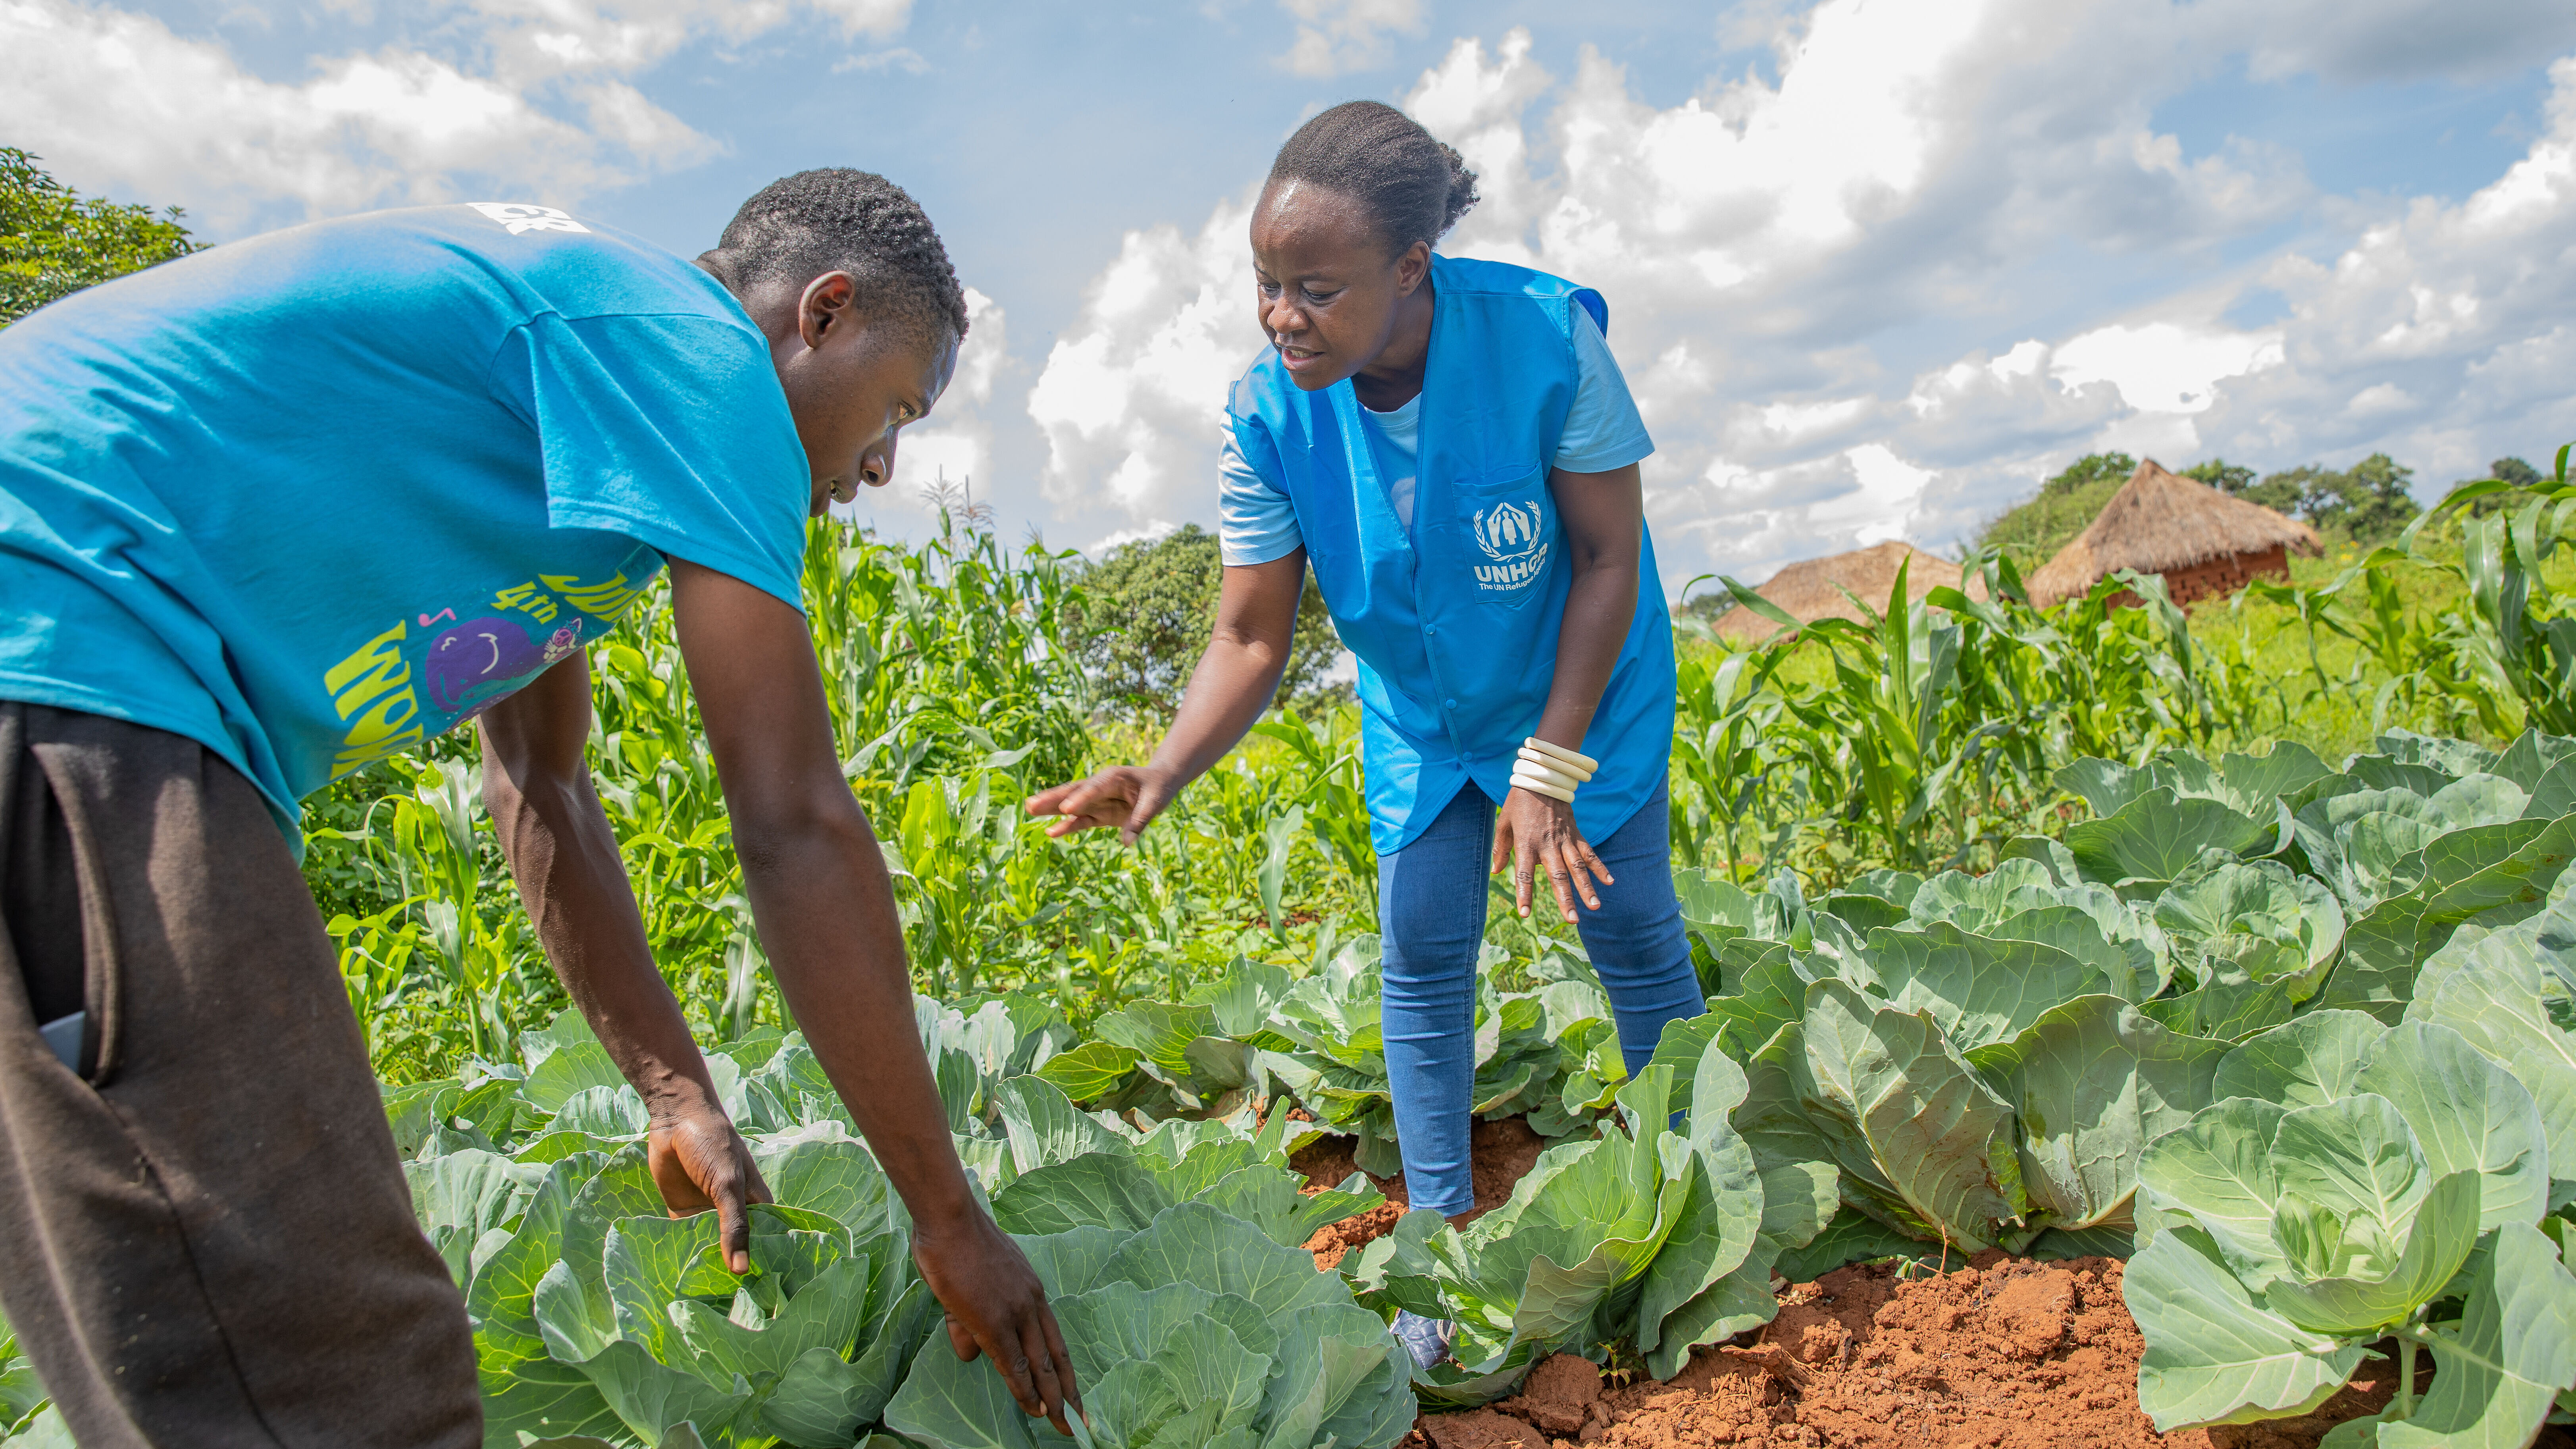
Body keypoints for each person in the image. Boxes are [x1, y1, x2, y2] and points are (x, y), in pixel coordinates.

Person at [0, 171, 1076, 1447]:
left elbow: (539, 784)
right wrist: (950, 1220)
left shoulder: (590, 383)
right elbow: (790, 819)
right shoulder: (696, 351)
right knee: (341, 1378)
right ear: (822, 312)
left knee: (173, 1349)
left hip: (69, 670)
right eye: (897, 405)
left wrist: (674, 1090)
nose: (882, 464)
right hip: (70, 646)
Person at [1027, 102, 1704, 1268]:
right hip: (1424, 712)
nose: (1281, 316)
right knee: (1422, 955)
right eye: (1265, 283)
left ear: (1409, 267)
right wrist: (1166, 765)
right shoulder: (1266, 412)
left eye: (1317, 289)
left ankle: (1696, 1190)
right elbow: (1250, 636)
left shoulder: (1545, 339)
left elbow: (1606, 562)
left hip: (1581, 687)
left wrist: (1549, 767)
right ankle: (1441, 1238)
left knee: (1632, 932)